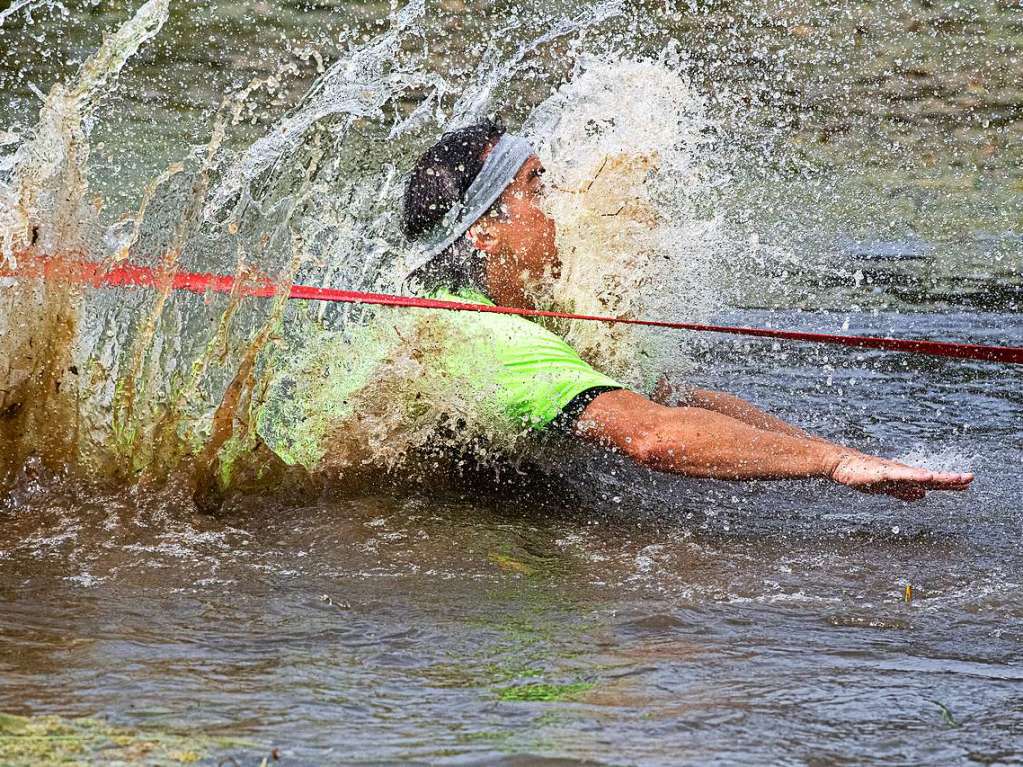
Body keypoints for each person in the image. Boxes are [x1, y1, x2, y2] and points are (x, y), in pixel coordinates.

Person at [398, 119, 973, 502]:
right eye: (536, 187)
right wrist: (832, 466)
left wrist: (843, 454)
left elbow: (672, 399)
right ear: (485, 236)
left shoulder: (506, 311)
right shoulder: (499, 341)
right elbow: (652, 434)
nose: (563, 202)